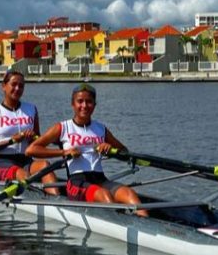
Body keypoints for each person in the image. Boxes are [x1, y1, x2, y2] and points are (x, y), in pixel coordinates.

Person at [26, 83, 148, 217]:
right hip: (76, 183)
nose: (84, 105)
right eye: (80, 101)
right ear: (72, 104)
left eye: (89, 102)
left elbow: (124, 152)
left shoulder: (101, 129)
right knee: (104, 195)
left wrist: (110, 148)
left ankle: (146, 228)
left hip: (101, 180)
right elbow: (31, 150)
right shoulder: (63, 128)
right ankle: (121, 224)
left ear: (94, 105)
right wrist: (64, 152)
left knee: (130, 195)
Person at [0, 70, 59, 195]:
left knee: (45, 165)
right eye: (14, 84)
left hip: (26, 160)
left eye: (21, 86)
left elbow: (37, 142)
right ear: (4, 86)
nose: (17, 88)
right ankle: (37, 196)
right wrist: (11, 140)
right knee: (20, 173)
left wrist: (33, 137)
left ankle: (57, 200)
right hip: (2, 162)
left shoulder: (31, 109)